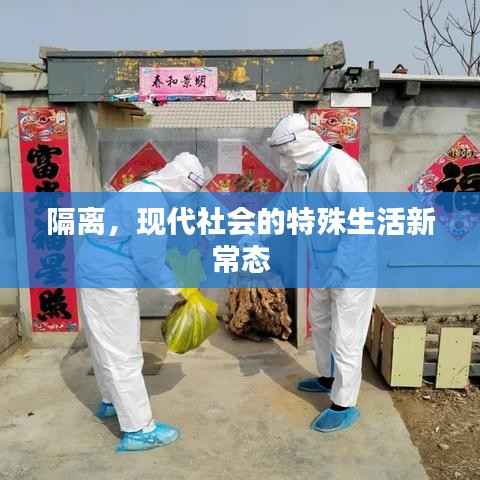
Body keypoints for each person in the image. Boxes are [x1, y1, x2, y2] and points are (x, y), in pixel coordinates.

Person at [77, 153, 205, 452]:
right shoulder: (152, 204)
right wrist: (181, 289)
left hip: (92, 270)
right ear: (181, 184)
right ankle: (138, 429)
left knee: (103, 344)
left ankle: (111, 400)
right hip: (110, 280)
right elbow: (149, 260)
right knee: (125, 355)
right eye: (189, 194)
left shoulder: (141, 188)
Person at [267, 114, 376, 433]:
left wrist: (341, 267)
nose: (283, 161)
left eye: (285, 153)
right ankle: (327, 377)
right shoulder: (300, 174)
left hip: (352, 267)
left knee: (346, 334)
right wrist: (255, 235)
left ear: (300, 145)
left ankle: (344, 403)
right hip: (321, 262)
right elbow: (280, 209)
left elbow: (360, 224)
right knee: (322, 322)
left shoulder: (341, 169)